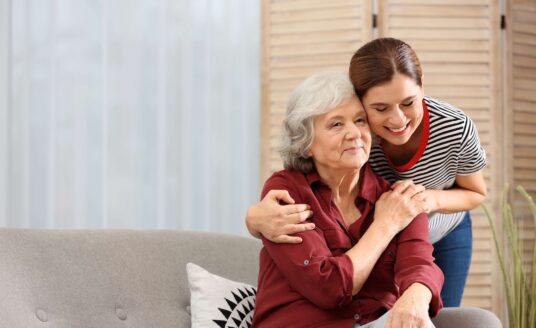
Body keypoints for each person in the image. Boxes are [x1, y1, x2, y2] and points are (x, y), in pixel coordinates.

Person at [246, 38, 487, 307]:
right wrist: (252, 219)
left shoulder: (453, 127)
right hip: (388, 220)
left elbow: (476, 192)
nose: (398, 120)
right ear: (361, 101)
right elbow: (306, 167)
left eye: (408, 102)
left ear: (422, 87)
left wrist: (427, 200)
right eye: (381, 108)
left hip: (440, 222)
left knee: (439, 310)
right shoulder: (357, 136)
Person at [251, 72, 443, 328]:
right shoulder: (286, 192)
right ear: (306, 142)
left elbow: (419, 263)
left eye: (360, 120)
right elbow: (328, 287)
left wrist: (416, 297)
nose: (354, 133)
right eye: (336, 124)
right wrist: (385, 225)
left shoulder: (398, 197)